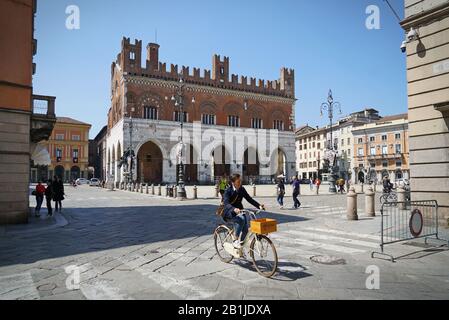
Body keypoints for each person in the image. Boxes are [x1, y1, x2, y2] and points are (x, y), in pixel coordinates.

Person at [223, 174, 265, 249]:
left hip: (240, 211)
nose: (240, 183)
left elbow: (249, 199)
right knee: (241, 219)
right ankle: (235, 240)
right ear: (233, 182)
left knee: (246, 229)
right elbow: (226, 203)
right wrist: (234, 209)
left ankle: (240, 247)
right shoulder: (228, 191)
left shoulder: (242, 189)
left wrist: (259, 206)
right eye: (238, 181)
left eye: (240, 181)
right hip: (229, 213)